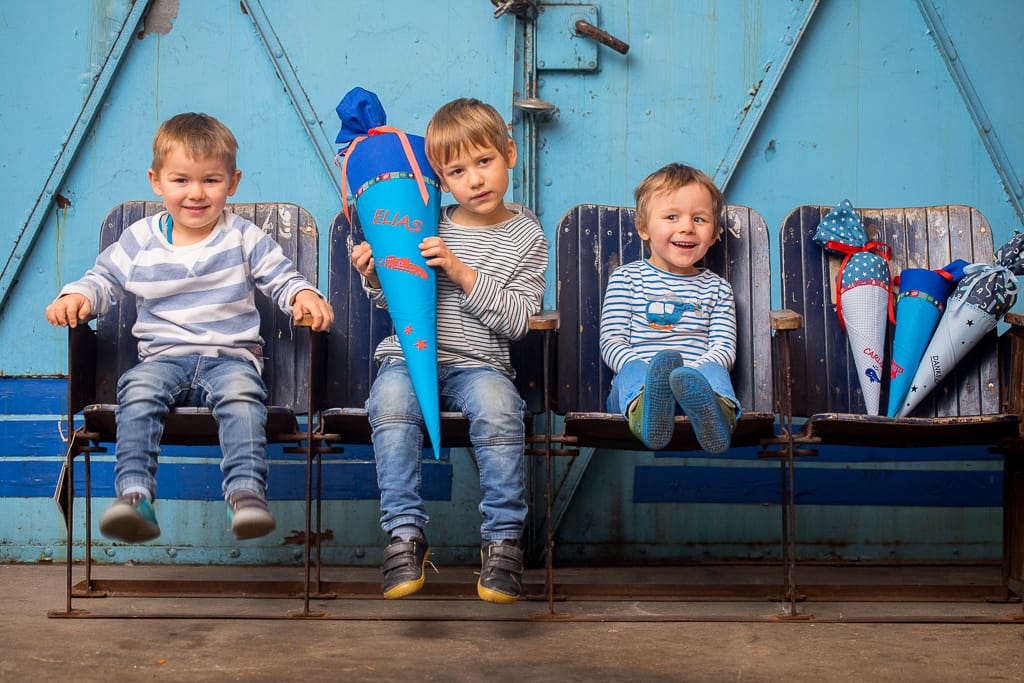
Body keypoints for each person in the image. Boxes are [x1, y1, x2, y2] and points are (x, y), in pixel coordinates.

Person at [45, 113, 334, 543]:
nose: (196, 193)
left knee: (242, 398)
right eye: (181, 180)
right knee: (137, 391)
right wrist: (80, 297)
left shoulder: (244, 237)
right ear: (156, 181)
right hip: (163, 359)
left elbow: (281, 277)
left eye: (211, 181)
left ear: (232, 182)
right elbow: (103, 279)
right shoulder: (140, 238)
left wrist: (301, 296)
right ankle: (135, 496)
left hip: (230, 358)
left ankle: (246, 492)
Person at [350, 98, 547, 603]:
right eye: (456, 171)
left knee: (502, 411)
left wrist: (461, 272)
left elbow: (518, 320)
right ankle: (404, 535)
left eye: (484, 162)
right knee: (390, 404)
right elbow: (397, 301)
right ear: (439, 179)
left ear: (510, 154)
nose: (475, 180)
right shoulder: (421, 219)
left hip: (480, 363)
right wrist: (376, 274)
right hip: (408, 358)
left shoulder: (527, 235)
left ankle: (503, 542)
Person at [600, 163, 740, 454]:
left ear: (714, 234)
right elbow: (612, 341)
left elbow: (724, 348)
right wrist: (645, 368)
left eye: (699, 219)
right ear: (643, 228)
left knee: (716, 369)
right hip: (636, 391)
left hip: (697, 392)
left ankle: (719, 419)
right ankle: (646, 416)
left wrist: (692, 375)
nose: (687, 227)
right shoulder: (626, 279)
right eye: (672, 216)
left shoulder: (718, 288)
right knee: (632, 371)